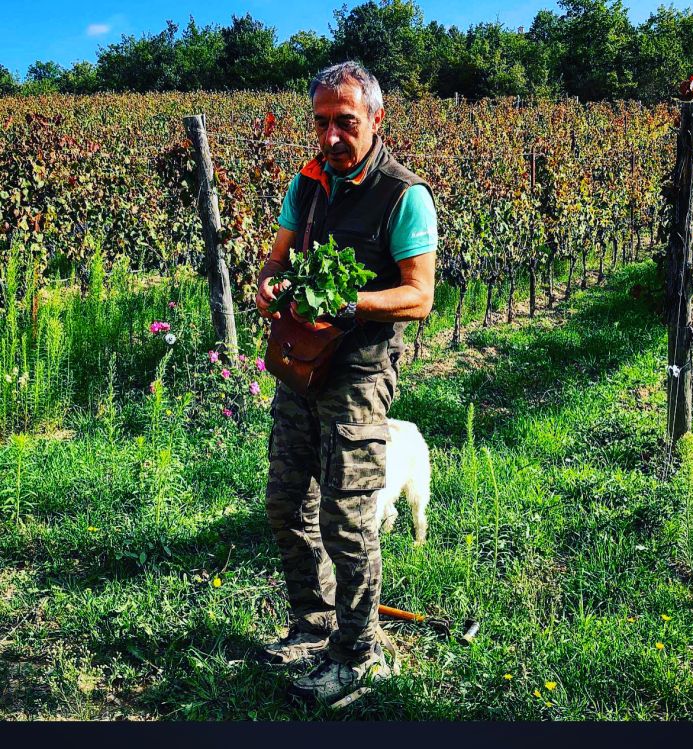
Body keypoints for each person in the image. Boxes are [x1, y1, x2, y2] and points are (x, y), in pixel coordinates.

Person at [254, 61, 437, 702]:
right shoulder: (306, 185)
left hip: (358, 374)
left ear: (377, 119)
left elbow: (419, 296)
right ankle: (313, 623)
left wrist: (347, 301)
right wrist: (270, 284)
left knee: (350, 517)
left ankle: (359, 654)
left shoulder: (404, 195)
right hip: (300, 365)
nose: (331, 137)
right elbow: (276, 257)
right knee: (286, 502)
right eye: (322, 123)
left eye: (346, 123)